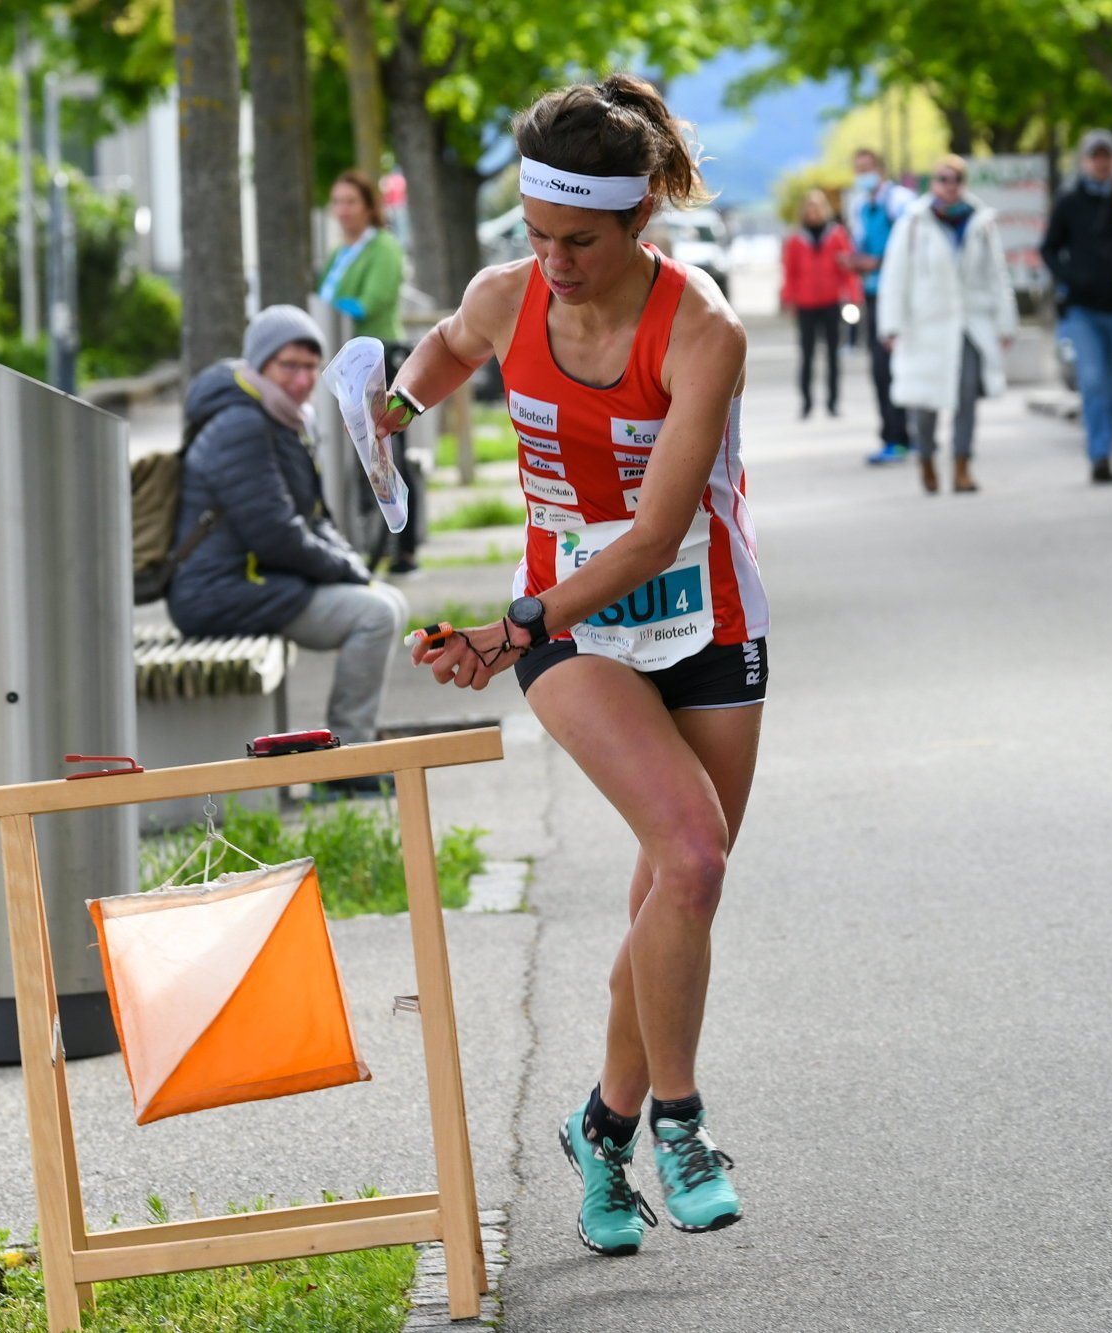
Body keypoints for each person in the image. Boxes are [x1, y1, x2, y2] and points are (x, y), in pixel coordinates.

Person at [375, 73, 768, 1258]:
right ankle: (680, 1126)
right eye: (537, 237)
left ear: (639, 219)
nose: (553, 264)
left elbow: (653, 534)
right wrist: (385, 414)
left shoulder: (701, 329)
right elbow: (446, 349)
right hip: (571, 629)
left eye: (579, 243)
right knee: (690, 852)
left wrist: (504, 629)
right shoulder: (508, 295)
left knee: (673, 888)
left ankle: (599, 1130)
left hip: (700, 611)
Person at [165, 305, 407, 787]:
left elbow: (312, 519)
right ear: (260, 365)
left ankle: (347, 751)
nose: (301, 379)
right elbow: (275, 533)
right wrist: (348, 571)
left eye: (310, 367)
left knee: (387, 602)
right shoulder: (242, 424)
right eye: (288, 366)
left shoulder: (281, 417)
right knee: (374, 615)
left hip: (253, 580)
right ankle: (343, 768)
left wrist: (350, 565)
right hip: (221, 591)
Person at [877, 155, 1018, 495]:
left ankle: (962, 466)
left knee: (966, 396)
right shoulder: (913, 222)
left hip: (970, 323)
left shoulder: (981, 222)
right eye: (942, 178)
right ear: (933, 183)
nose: (949, 185)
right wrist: (891, 325)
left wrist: (1005, 323)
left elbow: (997, 275)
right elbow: (895, 276)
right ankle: (926, 458)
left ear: (963, 183)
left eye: (955, 179)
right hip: (926, 325)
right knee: (924, 403)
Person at [319, 168, 424, 573]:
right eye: (337, 202)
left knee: (388, 448)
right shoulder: (337, 253)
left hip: (380, 359)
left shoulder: (383, 247)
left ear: (368, 207)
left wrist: (335, 309)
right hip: (344, 363)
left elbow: (372, 301)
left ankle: (406, 548)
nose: (343, 211)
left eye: (351, 202)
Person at [1042, 129, 1112, 484]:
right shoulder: (1069, 202)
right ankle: (1100, 455)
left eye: (1107, 156)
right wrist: (1070, 276)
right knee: (1094, 380)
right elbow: (1049, 248)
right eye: (1095, 156)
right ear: (1085, 161)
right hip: (1083, 309)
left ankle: (1105, 445)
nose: (1101, 163)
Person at [846, 148, 917, 464]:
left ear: (881, 170)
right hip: (873, 294)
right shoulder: (861, 206)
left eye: (867, 168)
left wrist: (878, 262)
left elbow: (911, 245)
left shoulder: (900, 202)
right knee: (883, 367)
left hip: (900, 294)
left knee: (888, 367)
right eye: (858, 169)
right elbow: (861, 246)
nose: (863, 174)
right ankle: (903, 435)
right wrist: (857, 262)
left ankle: (898, 438)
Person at [780, 189, 855, 419]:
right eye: (809, 207)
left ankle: (833, 402)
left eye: (817, 206)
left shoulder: (837, 234)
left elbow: (847, 269)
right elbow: (789, 272)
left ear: (824, 209)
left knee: (833, 354)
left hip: (831, 302)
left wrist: (852, 296)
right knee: (807, 354)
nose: (813, 211)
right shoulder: (795, 238)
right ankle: (806, 402)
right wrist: (788, 298)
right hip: (806, 304)